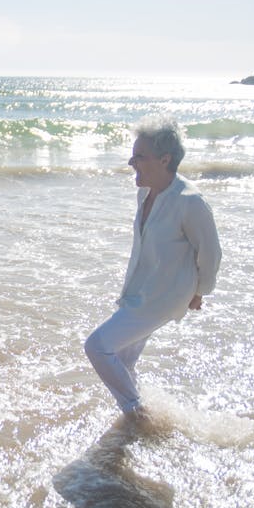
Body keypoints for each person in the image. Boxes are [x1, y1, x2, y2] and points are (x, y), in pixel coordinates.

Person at [84, 115, 221, 415]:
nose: (132, 163)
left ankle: (136, 414)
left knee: (97, 346)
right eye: (132, 156)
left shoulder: (190, 201)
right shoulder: (145, 192)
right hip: (140, 290)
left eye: (139, 157)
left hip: (161, 298)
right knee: (123, 359)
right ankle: (138, 413)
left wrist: (200, 292)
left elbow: (210, 253)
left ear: (164, 159)